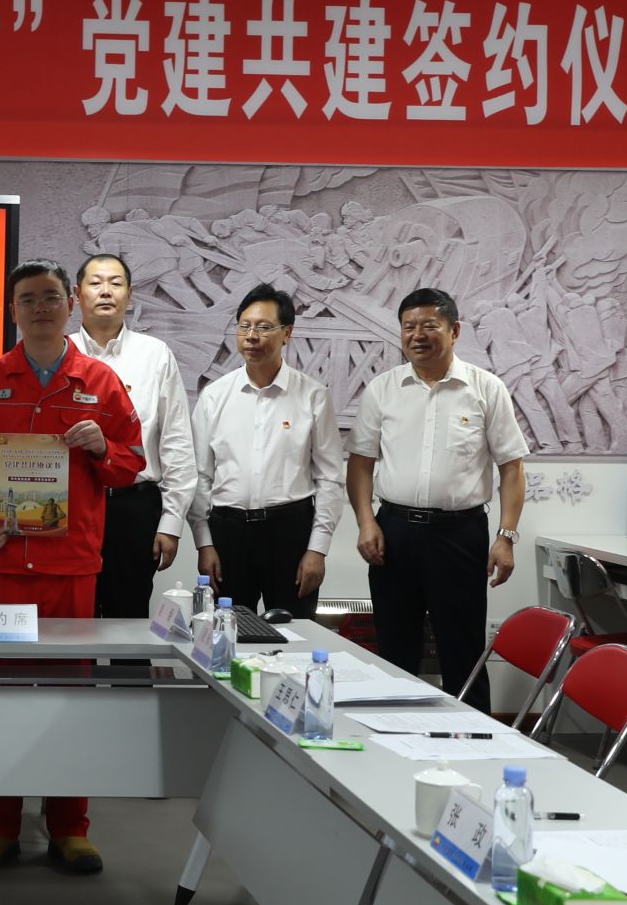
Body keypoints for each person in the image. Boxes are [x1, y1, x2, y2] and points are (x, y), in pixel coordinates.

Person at [0, 261, 146, 875]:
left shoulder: (100, 381)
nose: (39, 307)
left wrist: (102, 448)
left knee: (68, 700)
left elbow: (132, 464)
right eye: (27, 299)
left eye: (51, 297)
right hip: (1, 566)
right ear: (12, 310)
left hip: (69, 568)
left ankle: (70, 828)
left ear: (71, 304)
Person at [347, 288, 528, 711]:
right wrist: (366, 522)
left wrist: (506, 536)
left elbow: (512, 468)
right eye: (408, 327)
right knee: (395, 648)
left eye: (429, 325)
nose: (417, 335)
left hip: (460, 534)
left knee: (463, 649)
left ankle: (474, 738)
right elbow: (360, 464)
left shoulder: (485, 388)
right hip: (394, 533)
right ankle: (394, 737)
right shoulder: (383, 389)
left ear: (454, 330)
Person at [188, 284, 346, 618]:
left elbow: (330, 478)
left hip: (289, 533)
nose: (251, 336)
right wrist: (204, 543)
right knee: (227, 634)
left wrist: (318, 549)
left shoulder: (313, 396)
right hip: (228, 533)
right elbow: (200, 475)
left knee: (296, 634)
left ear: (287, 333)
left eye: (263, 327)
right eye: (244, 326)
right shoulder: (215, 396)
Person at [69, 253, 198, 618]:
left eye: (116, 283)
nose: (105, 291)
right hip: (71, 506)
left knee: (128, 618)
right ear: (76, 295)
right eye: (95, 283)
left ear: (130, 294)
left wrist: (171, 523)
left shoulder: (154, 355)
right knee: (71, 618)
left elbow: (175, 441)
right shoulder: (59, 354)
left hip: (134, 507)